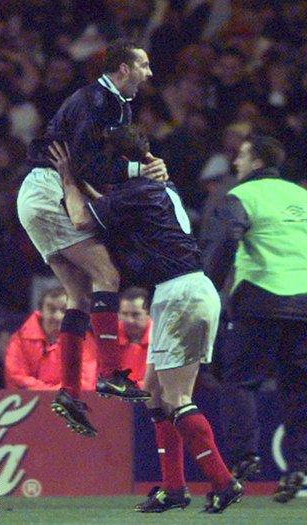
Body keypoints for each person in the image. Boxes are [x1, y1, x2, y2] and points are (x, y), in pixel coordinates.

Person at [48, 126, 243, 514]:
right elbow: (110, 204)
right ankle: (173, 489)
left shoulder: (137, 192)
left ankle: (223, 482)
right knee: (155, 393)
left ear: (121, 162)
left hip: (182, 293)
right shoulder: (155, 190)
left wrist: (70, 179)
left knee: (176, 397)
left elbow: (82, 219)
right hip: (179, 292)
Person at [17, 39, 168, 436]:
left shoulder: (116, 105)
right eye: (144, 66)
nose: (149, 74)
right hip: (51, 189)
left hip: (45, 192)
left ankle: (69, 391)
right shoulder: (97, 101)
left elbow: (92, 164)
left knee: (81, 295)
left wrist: (141, 166)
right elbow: (83, 161)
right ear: (122, 69)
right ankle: (110, 371)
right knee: (108, 275)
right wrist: (139, 172)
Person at [203, 135, 307, 503]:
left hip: (260, 300)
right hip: (304, 304)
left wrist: (208, 287)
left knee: (240, 381)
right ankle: (298, 467)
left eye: (243, 156)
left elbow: (227, 240)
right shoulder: (302, 196)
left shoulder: (243, 196)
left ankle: (245, 456)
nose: (236, 164)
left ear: (258, 161)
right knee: (297, 388)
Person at [5, 286, 97, 392]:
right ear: (41, 311)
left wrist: (51, 393)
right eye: (51, 309)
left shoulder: (83, 340)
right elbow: (16, 378)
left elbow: (87, 383)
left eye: (64, 310)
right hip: (28, 404)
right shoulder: (19, 340)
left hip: (70, 405)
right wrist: (53, 392)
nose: (58, 316)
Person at [117, 287, 151, 389]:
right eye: (124, 314)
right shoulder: (108, 337)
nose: (129, 320)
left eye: (136, 314)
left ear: (149, 313)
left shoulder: (160, 340)